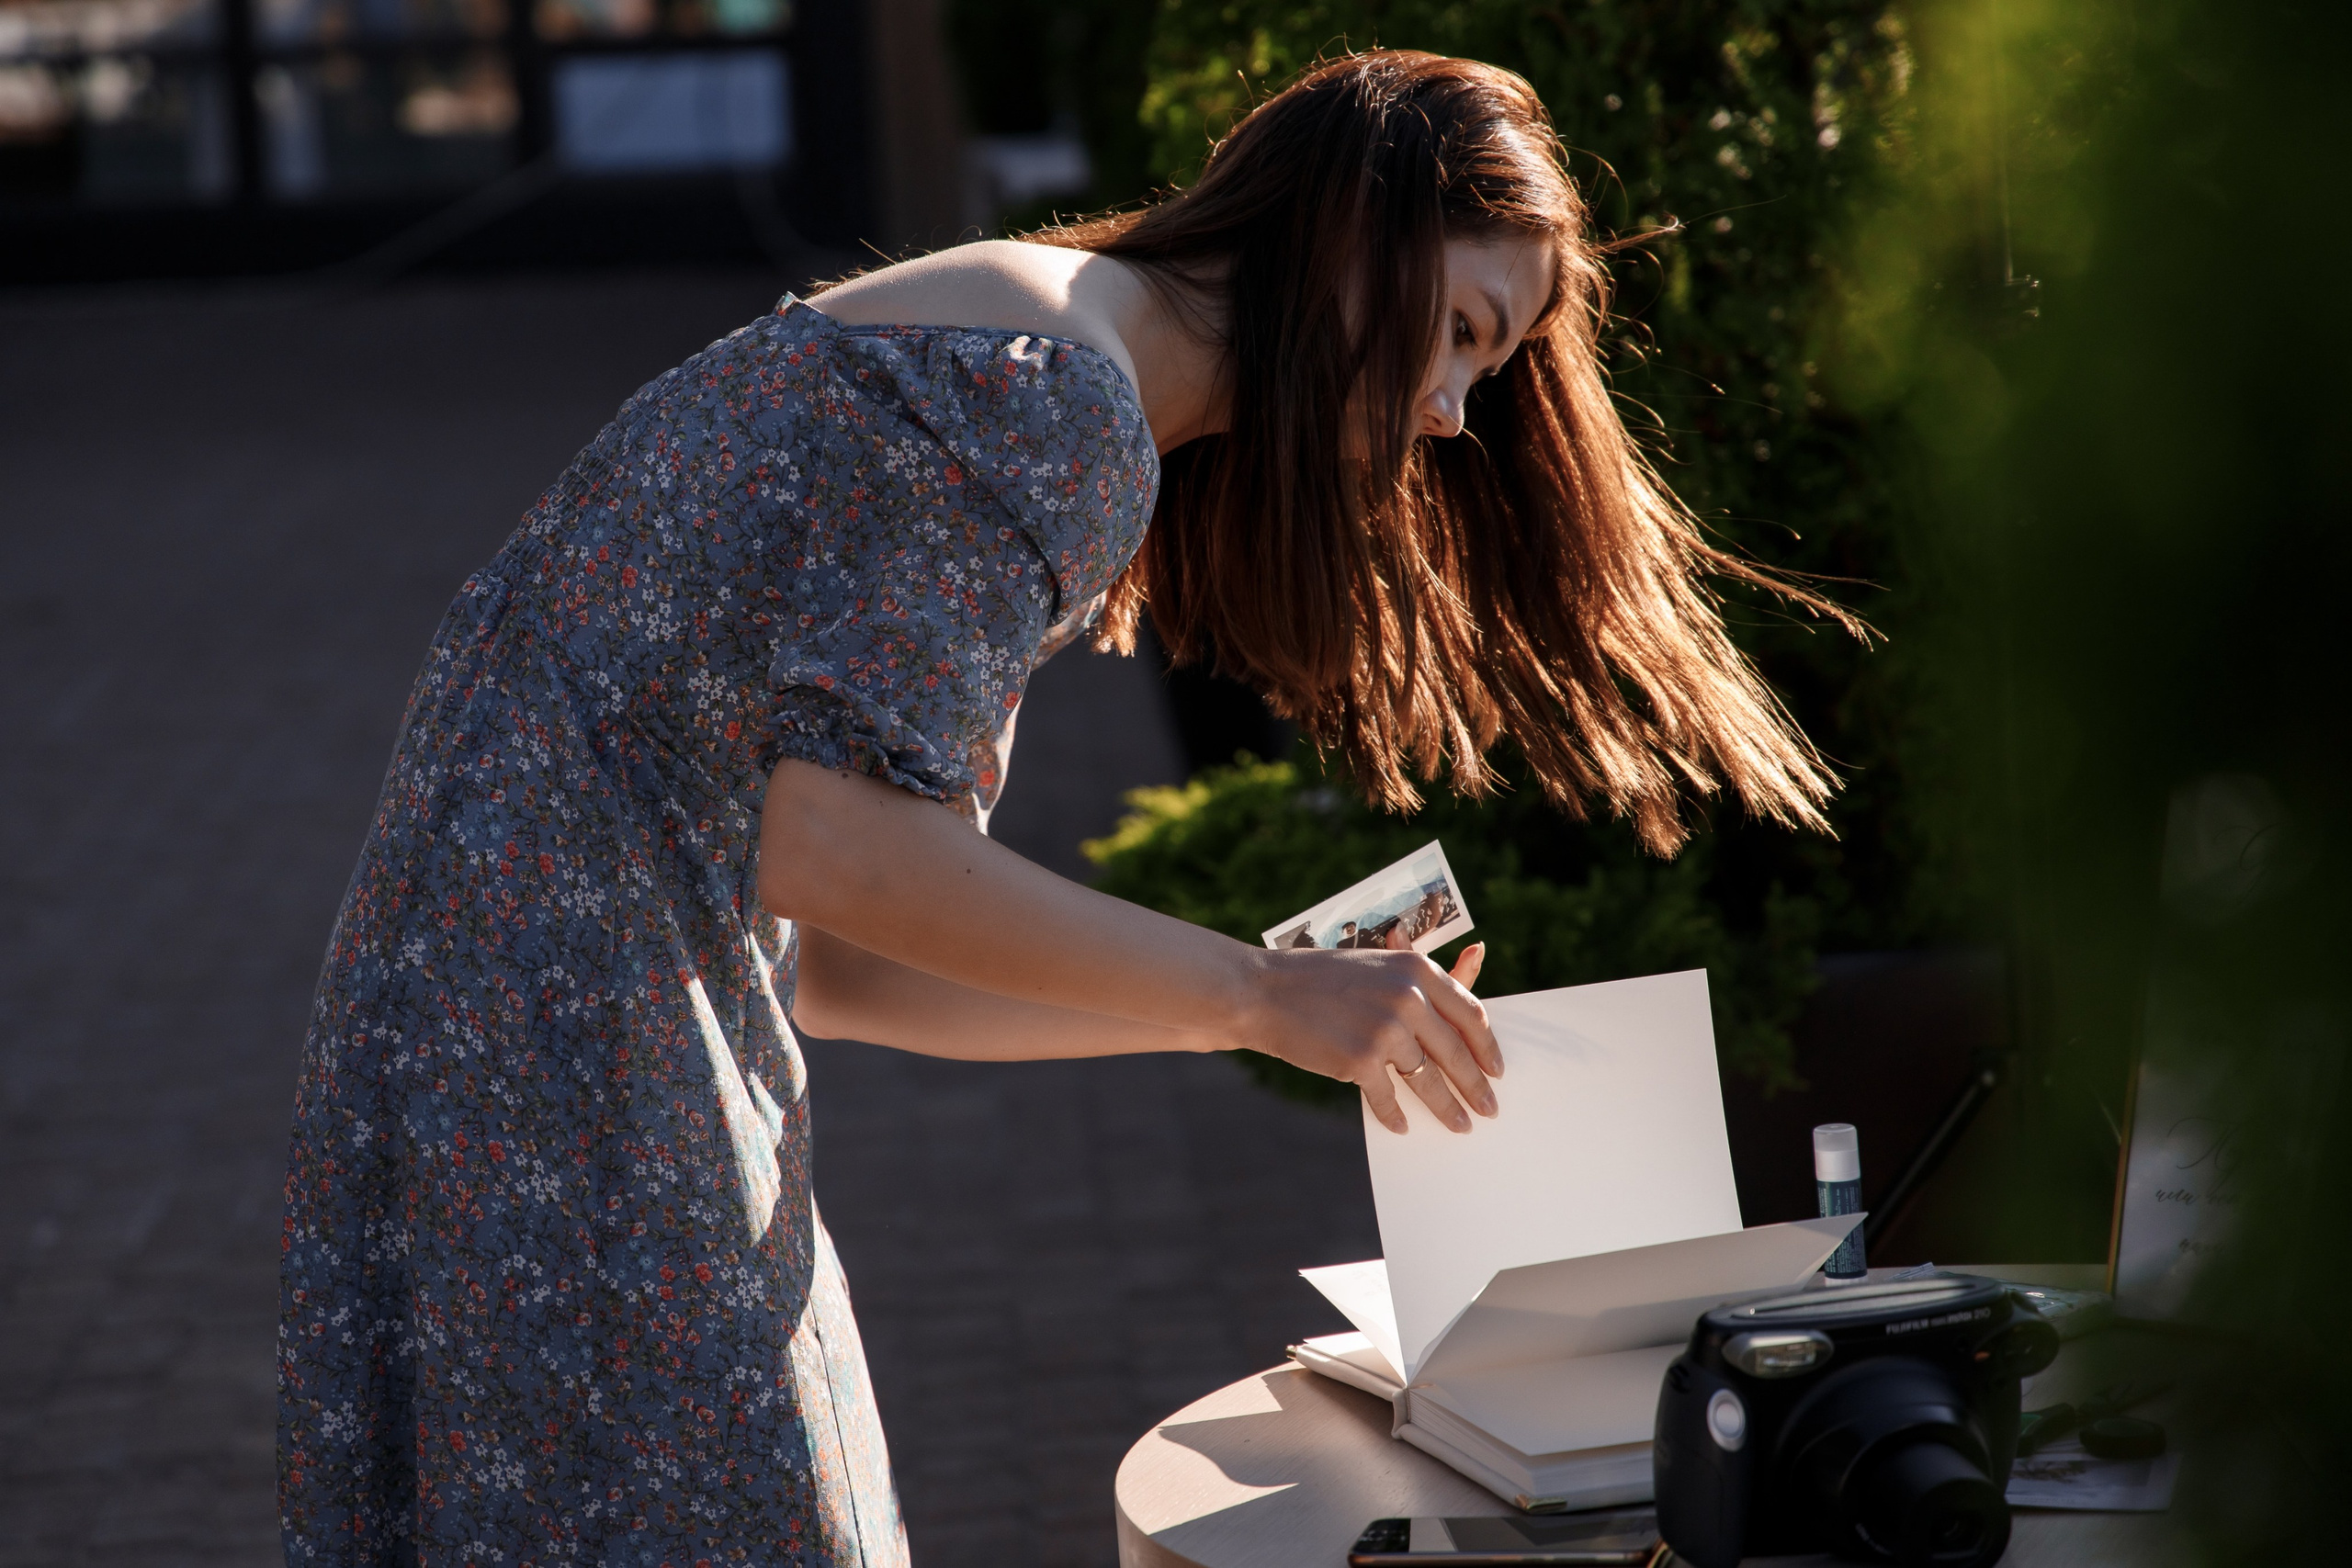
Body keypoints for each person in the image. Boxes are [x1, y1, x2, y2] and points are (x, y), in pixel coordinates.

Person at [277, 48, 1850, 1568]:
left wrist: (1253, 1010)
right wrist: (1251, 990)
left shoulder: (1033, 349)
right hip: (572, 1051)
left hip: (496, 1021)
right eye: (1457, 329)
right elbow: (839, 856)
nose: (1450, 411)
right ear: (1347, 230)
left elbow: (835, 962)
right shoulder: (1066, 403)